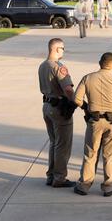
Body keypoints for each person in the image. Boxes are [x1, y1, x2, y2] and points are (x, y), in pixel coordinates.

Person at [73, 52, 112, 196]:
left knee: (90, 153)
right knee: (111, 156)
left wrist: (86, 107)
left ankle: (84, 185)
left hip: (94, 121)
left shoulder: (88, 78)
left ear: (99, 63)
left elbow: (76, 98)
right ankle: (108, 186)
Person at [38, 38, 76, 188]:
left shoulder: (42, 65)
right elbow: (67, 89)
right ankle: (59, 178)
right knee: (62, 144)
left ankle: (51, 175)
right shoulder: (58, 67)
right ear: (56, 49)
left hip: (47, 106)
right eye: (63, 48)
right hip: (59, 108)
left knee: (54, 142)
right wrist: (76, 101)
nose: (63, 51)